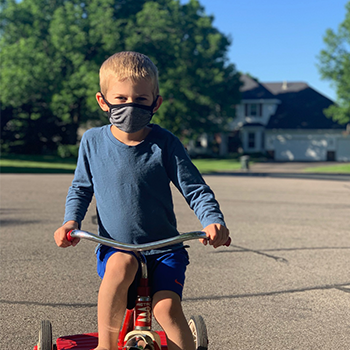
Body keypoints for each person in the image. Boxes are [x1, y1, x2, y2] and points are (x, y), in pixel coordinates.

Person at [54, 51, 230, 350]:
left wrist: (213, 221)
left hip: (164, 250)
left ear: (155, 103)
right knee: (121, 264)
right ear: (103, 101)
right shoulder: (93, 142)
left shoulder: (165, 143)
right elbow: (81, 188)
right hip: (116, 247)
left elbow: (195, 189)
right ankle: (106, 346)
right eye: (120, 99)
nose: (130, 106)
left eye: (140, 100)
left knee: (165, 309)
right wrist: (71, 221)